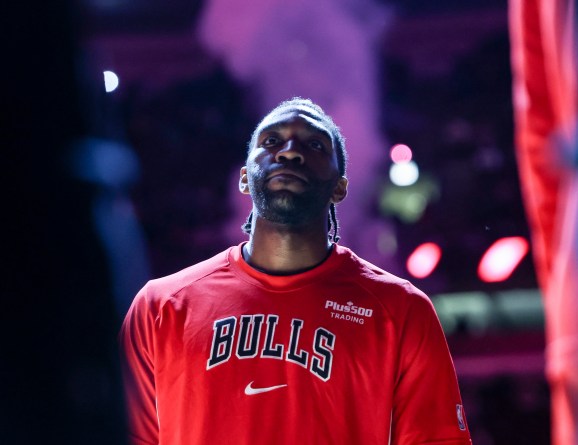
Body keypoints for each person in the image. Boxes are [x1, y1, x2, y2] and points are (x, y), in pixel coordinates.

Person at [120, 97, 472, 445]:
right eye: (272, 141)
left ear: (340, 187)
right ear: (244, 177)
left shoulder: (401, 310)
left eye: (315, 144)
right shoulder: (160, 306)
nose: (289, 152)